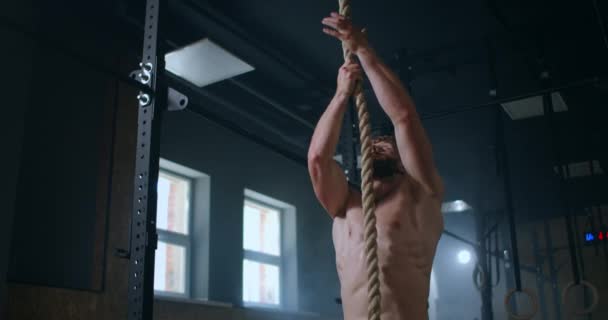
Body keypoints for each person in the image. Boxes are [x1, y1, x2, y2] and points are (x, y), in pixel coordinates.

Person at [307, 12, 444, 320]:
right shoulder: (343, 203)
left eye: (384, 146)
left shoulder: (421, 194)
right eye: (370, 147)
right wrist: (342, 94)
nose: (374, 147)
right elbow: (317, 159)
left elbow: (404, 119)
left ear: (401, 159)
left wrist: (363, 51)